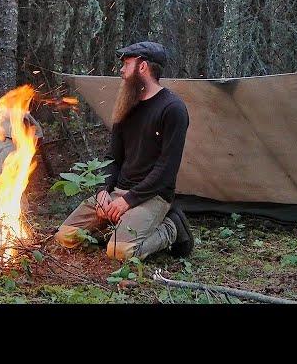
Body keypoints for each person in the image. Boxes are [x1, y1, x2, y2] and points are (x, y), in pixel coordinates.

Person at [55, 41, 194, 260]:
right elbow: (113, 158)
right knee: (65, 236)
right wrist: (103, 191)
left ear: (143, 67)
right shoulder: (126, 104)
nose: (121, 70)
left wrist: (128, 200)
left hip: (152, 195)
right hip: (117, 191)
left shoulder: (172, 108)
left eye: (127, 64)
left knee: (120, 252)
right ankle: (119, 226)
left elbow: (166, 170)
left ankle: (172, 228)